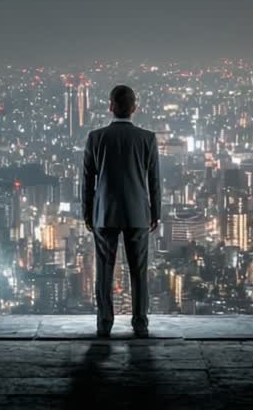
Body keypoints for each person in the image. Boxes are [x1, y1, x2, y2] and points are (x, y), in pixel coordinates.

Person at [82, 84, 160, 338]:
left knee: (104, 271)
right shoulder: (147, 138)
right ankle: (140, 324)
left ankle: (104, 324)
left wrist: (87, 213)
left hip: (105, 213)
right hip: (138, 213)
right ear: (134, 108)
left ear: (110, 106)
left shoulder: (96, 137)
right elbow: (154, 181)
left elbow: (87, 181)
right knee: (139, 272)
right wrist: (155, 212)